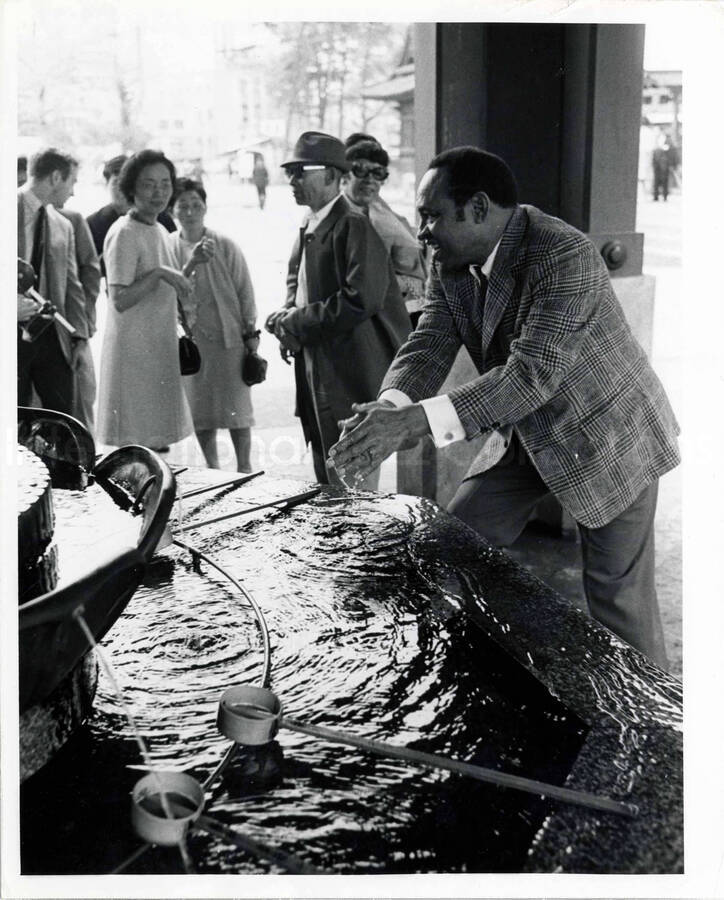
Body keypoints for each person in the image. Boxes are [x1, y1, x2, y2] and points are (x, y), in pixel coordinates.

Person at [329, 146, 681, 668]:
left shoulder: (564, 255)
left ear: (478, 208)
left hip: (610, 440)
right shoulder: (449, 259)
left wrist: (413, 423)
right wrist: (388, 408)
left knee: (617, 601)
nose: (422, 231)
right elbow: (429, 342)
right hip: (528, 437)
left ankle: (656, 735)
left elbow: (531, 376)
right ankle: (466, 675)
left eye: (431, 216)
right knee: (452, 544)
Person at [265, 131, 411, 488]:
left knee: (353, 487)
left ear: (331, 175)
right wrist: (287, 318)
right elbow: (296, 280)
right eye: (290, 172)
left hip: (350, 371)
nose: (292, 180)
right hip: (320, 367)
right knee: (328, 475)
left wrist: (294, 322)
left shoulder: (352, 224)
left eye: (301, 171)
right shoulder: (312, 222)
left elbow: (361, 298)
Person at [96, 150, 212, 451]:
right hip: (133, 353)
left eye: (164, 183)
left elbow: (168, 283)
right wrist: (161, 272)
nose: (158, 192)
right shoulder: (124, 232)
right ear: (131, 188)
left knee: (158, 445)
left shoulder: (159, 228)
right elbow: (120, 298)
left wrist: (191, 263)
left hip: (157, 347)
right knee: (138, 446)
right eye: (148, 184)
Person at [169, 178, 259, 472]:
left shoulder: (224, 244)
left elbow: (244, 289)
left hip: (228, 337)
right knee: (200, 408)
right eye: (183, 205)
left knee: (237, 408)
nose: (191, 211)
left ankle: (244, 465)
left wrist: (250, 331)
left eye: (196, 205)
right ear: (173, 210)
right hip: (191, 341)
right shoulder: (169, 246)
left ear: (205, 207)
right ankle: (213, 467)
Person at [17, 148, 88, 416]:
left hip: (51, 337)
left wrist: (79, 338)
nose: (73, 192)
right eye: (73, 182)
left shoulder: (63, 225)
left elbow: (73, 287)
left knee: (63, 419)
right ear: (57, 177)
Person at [343, 133, 427, 321]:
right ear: (345, 172)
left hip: (398, 314)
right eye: (361, 170)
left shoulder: (388, 218)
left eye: (378, 172)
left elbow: (417, 276)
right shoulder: (331, 215)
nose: (370, 179)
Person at [87, 154, 177, 278]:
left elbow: (173, 269)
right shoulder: (97, 223)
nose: (121, 190)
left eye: (165, 184)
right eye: (116, 183)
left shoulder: (161, 220)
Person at [55, 197, 101, 433]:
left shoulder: (71, 219)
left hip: (71, 327)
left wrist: (84, 320)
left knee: (81, 400)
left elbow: (91, 271)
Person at [652, 133, 672, 202]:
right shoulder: (656, 149)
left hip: (664, 169)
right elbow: (654, 159)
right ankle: (656, 197)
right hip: (658, 169)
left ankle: (664, 197)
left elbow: (669, 158)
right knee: (656, 183)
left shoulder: (667, 149)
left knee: (664, 183)